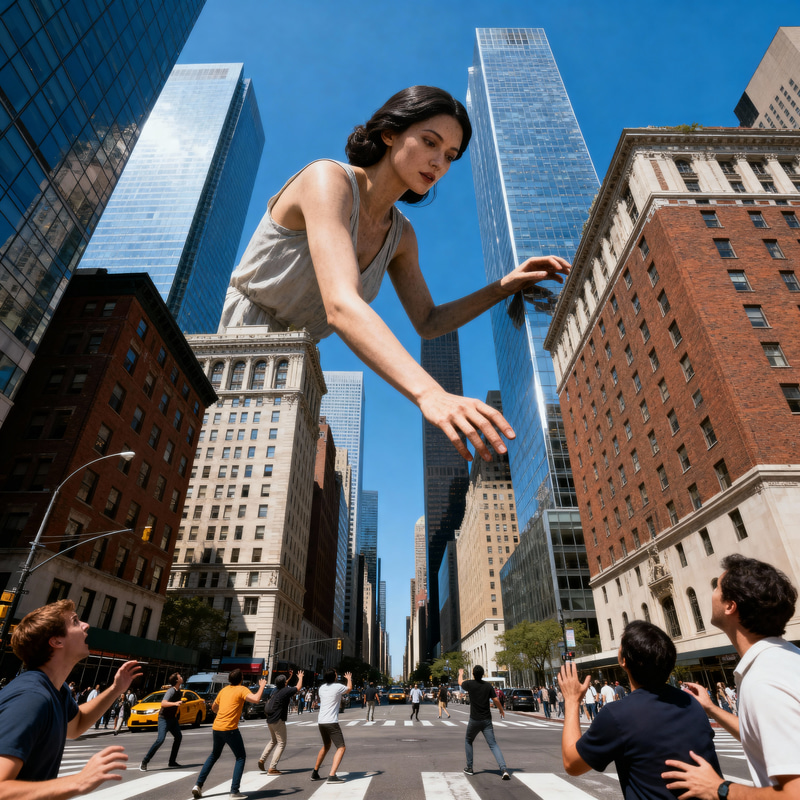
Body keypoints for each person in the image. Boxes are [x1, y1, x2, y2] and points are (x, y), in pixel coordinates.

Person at [219, 85, 570, 465]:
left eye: (450, 156)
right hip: (234, 343)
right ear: (389, 133)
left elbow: (429, 321)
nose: (439, 163)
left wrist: (505, 285)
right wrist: (429, 393)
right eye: (430, 142)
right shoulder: (328, 179)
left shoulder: (401, 236)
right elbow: (341, 304)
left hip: (296, 361)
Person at [662, 555, 800, 800]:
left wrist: (719, 788)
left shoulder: (764, 681)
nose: (712, 594)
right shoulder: (786, 658)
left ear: (730, 606)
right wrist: (711, 709)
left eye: (716, 587)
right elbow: (758, 737)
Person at [560, 620, 720, 800]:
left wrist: (572, 700)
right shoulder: (692, 704)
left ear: (623, 660)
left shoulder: (618, 715)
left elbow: (572, 764)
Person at [0, 599, 141, 798]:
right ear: (57, 641)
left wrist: (116, 689)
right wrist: (78, 781)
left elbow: (76, 725)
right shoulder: (31, 698)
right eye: (75, 621)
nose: (86, 625)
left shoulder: (57, 690)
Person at [192, 670, 267, 799]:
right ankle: (234, 791)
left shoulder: (224, 690)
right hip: (230, 728)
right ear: (241, 679)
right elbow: (256, 699)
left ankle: (198, 785)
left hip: (217, 727)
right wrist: (262, 686)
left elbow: (214, 708)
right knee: (240, 757)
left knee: (214, 755)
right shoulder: (241, 689)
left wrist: (224, 711)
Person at [458, 666, 510, 780]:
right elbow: (495, 699)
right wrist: (501, 710)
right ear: (482, 674)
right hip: (486, 720)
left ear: (473, 674)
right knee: (493, 744)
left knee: (468, 740)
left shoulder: (470, 684)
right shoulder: (488, 686)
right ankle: (504, 769)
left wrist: (461, 673)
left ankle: (470, 768)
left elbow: (460, 682)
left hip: (474, 719)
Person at [311, 669, 352, 784]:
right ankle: (332, 775)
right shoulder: (337, 687)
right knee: (341, 747)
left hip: (321, 721)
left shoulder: (321, 688)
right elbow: (349, 689)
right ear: (334, 677)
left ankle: (315, 772)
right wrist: (349, 679)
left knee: (326, 746)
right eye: (336, 674)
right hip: (331, 722)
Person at [259, 670, 303, 775]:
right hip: (278, 719)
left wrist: (290, 677)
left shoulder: (274, 690)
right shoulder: (285, 691)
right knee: (282, 743)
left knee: (273, 740)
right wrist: (300, 677)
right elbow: (298, 687)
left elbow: (285, 683)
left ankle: (262, 759)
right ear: (284, 683)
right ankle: (272, 767)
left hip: (270, 719)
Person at [140, 672, 185, 770]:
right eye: (180, 676)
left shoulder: (178, 690)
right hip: (164, 719)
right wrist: (175, 703)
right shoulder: (171, 691)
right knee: (160, 740)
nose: (182, 677)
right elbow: (163, 703)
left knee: (178, 737)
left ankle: (172, 762)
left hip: (172, 719)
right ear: (177, 680)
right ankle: (145, 761)